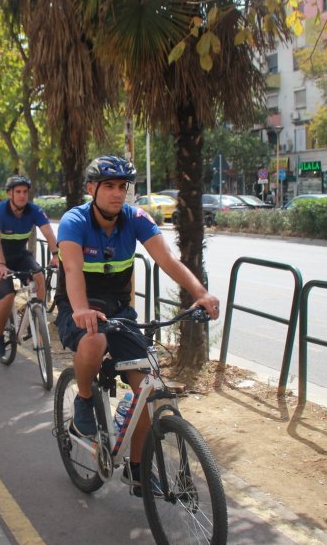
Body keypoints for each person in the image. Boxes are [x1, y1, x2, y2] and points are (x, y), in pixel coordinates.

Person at [54, 155, 219, 494]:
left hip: (119, 311)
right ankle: (85, 398)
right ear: (91, 189)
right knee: (94, 340)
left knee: (147, 386)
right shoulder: (75, 221)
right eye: (110, 186)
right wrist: (82, 310)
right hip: (78, 306)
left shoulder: (135, 218)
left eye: (123, 187)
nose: (118, 194)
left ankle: (138, 468)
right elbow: (72, 270)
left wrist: (200, 294)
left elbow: (167, 259)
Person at [0, 175, 59, 357]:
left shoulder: (34, 210)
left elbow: (48, 232)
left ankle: (35, 316)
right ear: (10, 193)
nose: (22, 195)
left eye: (25, 192)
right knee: (8, 294)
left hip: (19, 255)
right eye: (18, 192)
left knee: (39, 277)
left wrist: (56, 255)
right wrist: (1, 264)